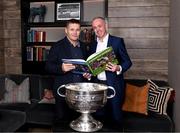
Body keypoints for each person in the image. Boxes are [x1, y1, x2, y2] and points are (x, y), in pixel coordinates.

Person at [89, 17, 132, 127]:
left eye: (100, 26)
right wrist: (88, 72)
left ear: (106, 26)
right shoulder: (93, 45)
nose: (97, 29)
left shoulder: (117, 41)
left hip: (114, 85)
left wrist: (118, 68)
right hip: (97, 86)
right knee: (99, 116)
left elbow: (128, 62)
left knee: (116, 117)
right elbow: (92, 65)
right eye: (94, 28)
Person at [45, 19, 90, 122]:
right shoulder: (57, 46)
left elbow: (86, 67)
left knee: (79, 121)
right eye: (72, 29)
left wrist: (87, 74)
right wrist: (61, 68)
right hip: (63, 91)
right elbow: (48, 66)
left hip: (80, 92)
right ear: (66, 30)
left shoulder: (84, 46)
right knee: (62, 121)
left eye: (77, 30)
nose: (75, 32)